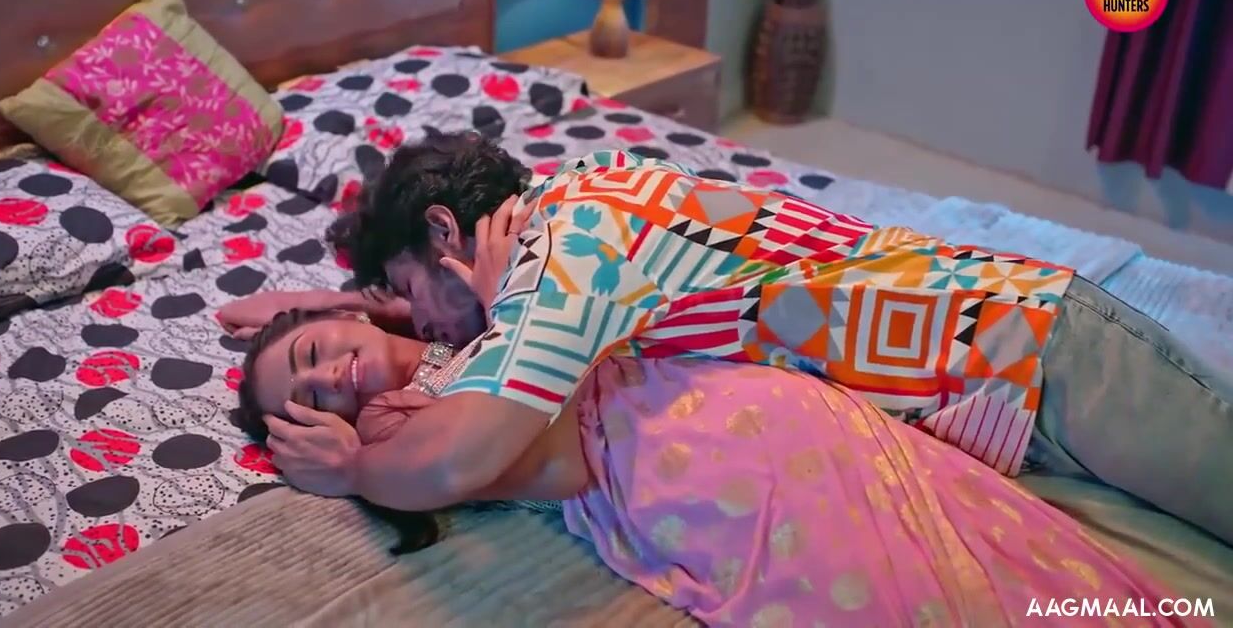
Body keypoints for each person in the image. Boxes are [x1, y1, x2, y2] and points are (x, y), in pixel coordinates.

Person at [271, 130, 1231, 546]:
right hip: (1004, 394)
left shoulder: (565, 254)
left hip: (1038, 354)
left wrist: (355, 469)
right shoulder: (579, 196)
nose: (431, 331)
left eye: (415, 295)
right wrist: (360, 305)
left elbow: (460, 457)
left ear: (446, 232)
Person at [227, 290, 1202, 626]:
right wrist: (349, 464)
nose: (327, 378)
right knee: (901, 580)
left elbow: (392, 295)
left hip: (747, 401)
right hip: (674, 463)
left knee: (977, 529)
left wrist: (317, 304)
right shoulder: (401, 430)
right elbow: (538, 468)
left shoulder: (453, 311)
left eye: (314, 350)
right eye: (306, 398)